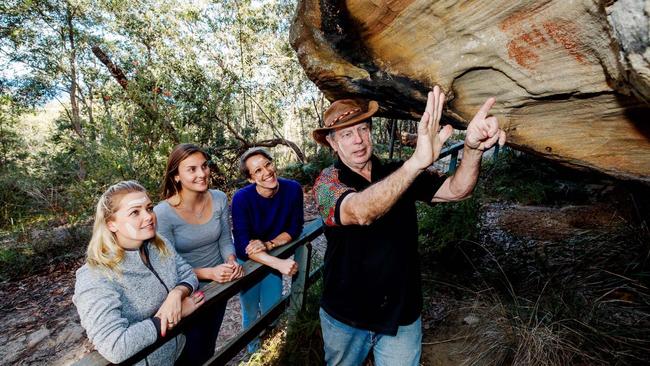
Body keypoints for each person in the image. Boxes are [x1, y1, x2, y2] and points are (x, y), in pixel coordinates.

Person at [312, 86, 507, 366]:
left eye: (363, 130)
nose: (358, 140)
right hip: (346, 317)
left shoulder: (398, 170)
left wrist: (472, 149)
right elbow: (360, 211)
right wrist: (415, 163)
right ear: (333, 143)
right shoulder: (327, 183)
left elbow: (456, 189)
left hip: (401, 315)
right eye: (346, 134)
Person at [73, 180, 204, 365]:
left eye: (149, 208)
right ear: (111, 224)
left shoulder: (160, 245)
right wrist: (171, 317)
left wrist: (177, 294)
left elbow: (187, 273)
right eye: (135, 212)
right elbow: (114, 346)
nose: (149, 216)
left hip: (180, 351)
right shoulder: (96, 275)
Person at [154, 143, 245, 365]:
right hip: (187, 292)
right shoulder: (162, 213)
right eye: (192, 169)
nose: (202, 174)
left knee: (208, 344)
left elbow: (225, 240)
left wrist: (231, 261)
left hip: (219, 284)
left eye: (204, 166)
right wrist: (209, 273)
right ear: (176, 176)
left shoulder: (220, 198)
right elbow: (168, 265)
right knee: (188, 350)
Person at [231, 147, 303, 353]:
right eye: (258, 171)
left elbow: (294, 228)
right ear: (250, 179)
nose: (266, 172)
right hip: (249, 261)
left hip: (271, 254)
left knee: (273, 308)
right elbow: (244, 246)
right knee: (251, 310)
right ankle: (254, 352)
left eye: (267, 164)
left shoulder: (293, 189)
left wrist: (269, 244)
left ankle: (273, 350)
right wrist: (278, 263)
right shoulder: (241, 198)